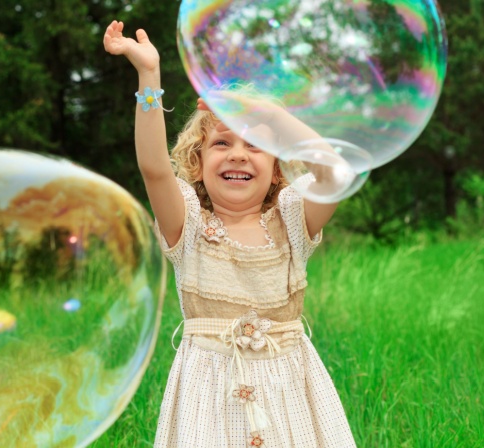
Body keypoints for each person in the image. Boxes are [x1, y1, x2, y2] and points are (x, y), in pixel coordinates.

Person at [103, 20, 357, 447]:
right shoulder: (188, 223)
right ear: (197, 162)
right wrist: (149, 74)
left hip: (289, 392)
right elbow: (153, 168)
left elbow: (336, 173)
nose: (238, 153)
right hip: (210, 398)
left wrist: (271, 116)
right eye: (222, 143)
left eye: (255, 144)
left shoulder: (292, 219)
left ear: (277, 169)